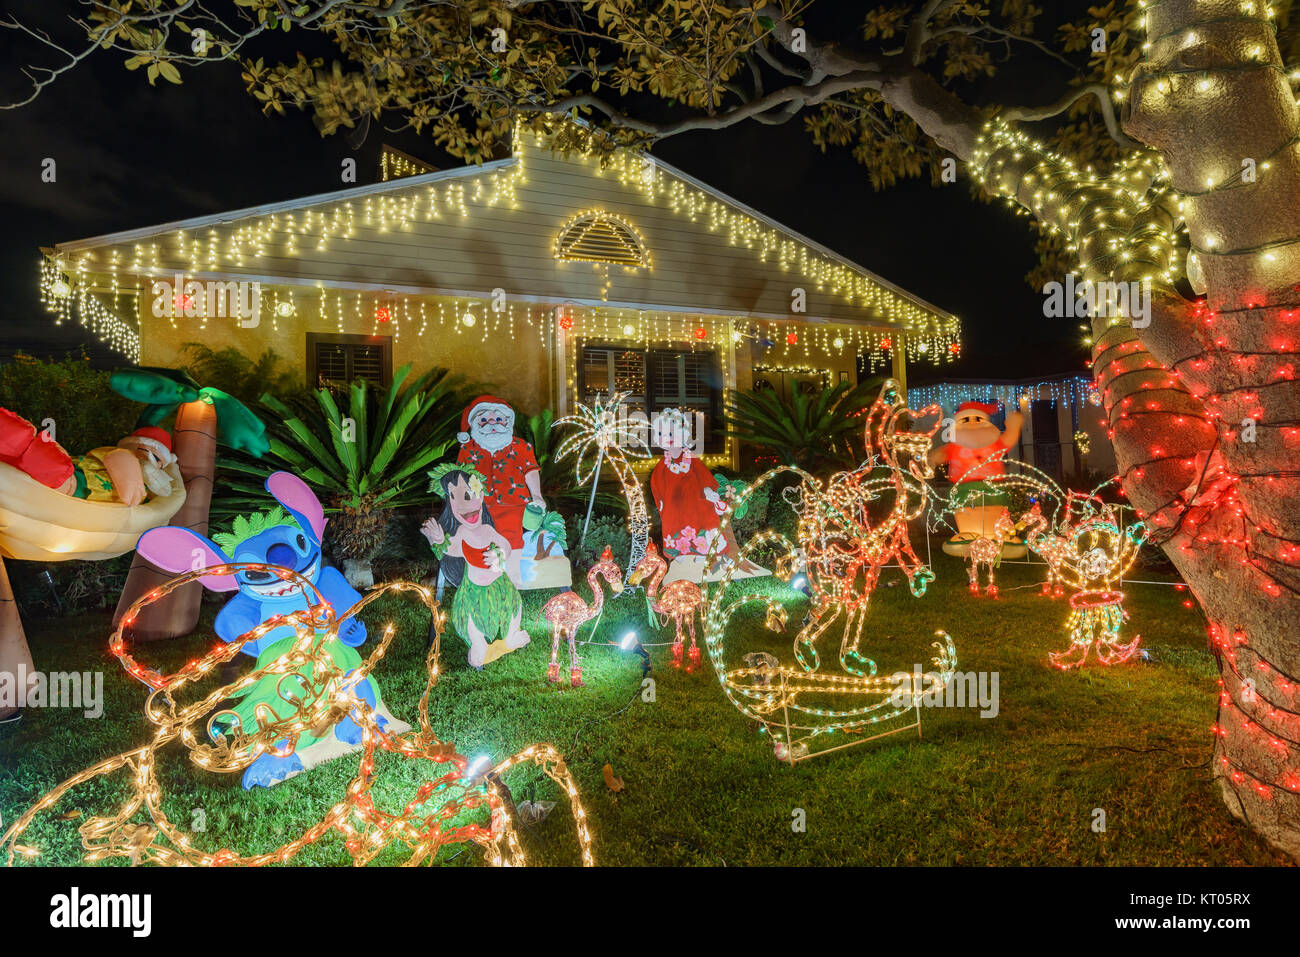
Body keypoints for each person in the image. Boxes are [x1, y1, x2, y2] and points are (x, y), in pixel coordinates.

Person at [421, 463, 530, 668]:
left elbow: (505, 546)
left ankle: (510, 635)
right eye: (456, 498)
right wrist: (437, 539)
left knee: (513, 608)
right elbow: (450, 548)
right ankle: (479, 642)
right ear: (450, 503)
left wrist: (499, 557)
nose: (466, 505)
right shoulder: (462, 533)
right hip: (473, 590)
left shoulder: (488, 529)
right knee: (472, 620)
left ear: (480, 496)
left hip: (500, 586)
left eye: (471, 494)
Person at [454, 395, 544, 551]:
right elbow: (459, 478)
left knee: (512, 545)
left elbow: (531, 471)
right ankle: (484, 573)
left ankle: (511, 573)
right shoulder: (468, 449)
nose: (492, 424)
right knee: (479, 546)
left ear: (508, 421)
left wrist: (537, 495)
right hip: (479, 507)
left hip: (514, 505)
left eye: (498, 419)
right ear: (475, 424)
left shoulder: (521, 446)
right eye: (484, 421)